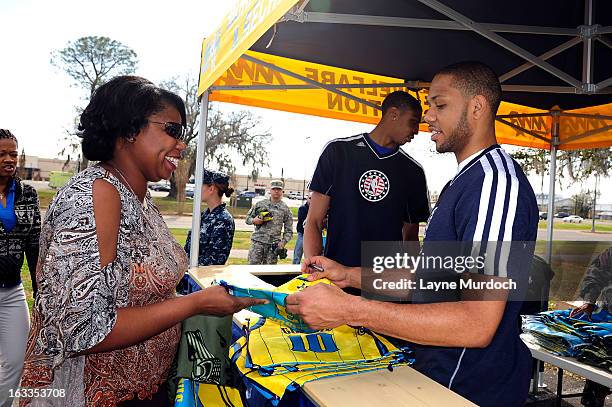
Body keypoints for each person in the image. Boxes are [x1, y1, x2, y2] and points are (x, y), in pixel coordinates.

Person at [287, 62, 539, 406]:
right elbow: (433, 280)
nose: (429, 117)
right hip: (438, 379)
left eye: (440, 104)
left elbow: (477, 324)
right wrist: (350, 275)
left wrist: (351, 310)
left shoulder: (494, 183)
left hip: (468, 390)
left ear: (477, 106)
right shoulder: (465, 182)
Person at [19, 76, 264, 406]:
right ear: (129, 129)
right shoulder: (94, 196)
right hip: (92, 394)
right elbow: (83, 327)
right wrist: (195, 303)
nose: (181, 144)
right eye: (172, 130)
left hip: (144, 390)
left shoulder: (140, 199)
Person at [304, 91, 430, 268]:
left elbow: (410, 237)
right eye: (413, 122)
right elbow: (314, 221)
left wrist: (409, 284)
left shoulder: (413, 171)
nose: (416, 131)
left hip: (382, 282)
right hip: (336, 276)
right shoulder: (339, 152)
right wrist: (314, 266)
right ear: (393, 114)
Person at [0, 129, 40, 407]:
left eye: (13, 153)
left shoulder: (27, 194)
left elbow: (35, 245)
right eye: (1, 154)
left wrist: (41, 293)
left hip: (13, 293)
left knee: (15, 362)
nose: (8, 159)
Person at [570, 246, 611, 407]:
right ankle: (593, 397)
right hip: (608, 320)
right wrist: (589, 301)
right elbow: (595, 275)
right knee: (599, 369)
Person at [184, 169, 235, 266]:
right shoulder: (205, 215)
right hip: (189, 275)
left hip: (202, 278)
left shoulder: (223, 220)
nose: (196, 189)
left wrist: (186, 266)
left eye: (200, 185)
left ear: (211, 189)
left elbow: (215, 261)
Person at [245, 180, 293, 265]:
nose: (276, 191)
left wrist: (283, 243)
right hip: (257, 243)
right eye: (274, 189)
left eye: (279, 189)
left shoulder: (286, 209)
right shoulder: (260, 204)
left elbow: (289, 231)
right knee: (252, 270)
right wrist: (254, 220)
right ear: (270, 190)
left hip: (273, 246)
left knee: (268, 274)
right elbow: (247, 219)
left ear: (283, 191)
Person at [292, 193, 310, 264]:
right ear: (307, 198)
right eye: (310, 198)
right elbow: (304, 223)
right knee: (297, 254)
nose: (311, 200)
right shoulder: (302, 208)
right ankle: (294, 270)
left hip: (314, 235)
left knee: (311, 256)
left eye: (313, 198)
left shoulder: (318, 209)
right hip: (302, 234)